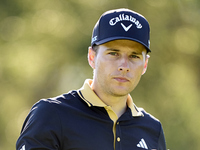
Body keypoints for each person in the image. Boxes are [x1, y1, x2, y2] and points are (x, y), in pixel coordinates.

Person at [16, 8, 167, 150]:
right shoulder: (51, 114)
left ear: (145, 64)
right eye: (113, 53)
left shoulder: (153, 129)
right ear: (92, 57)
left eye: (134, 56)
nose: (124, 66)